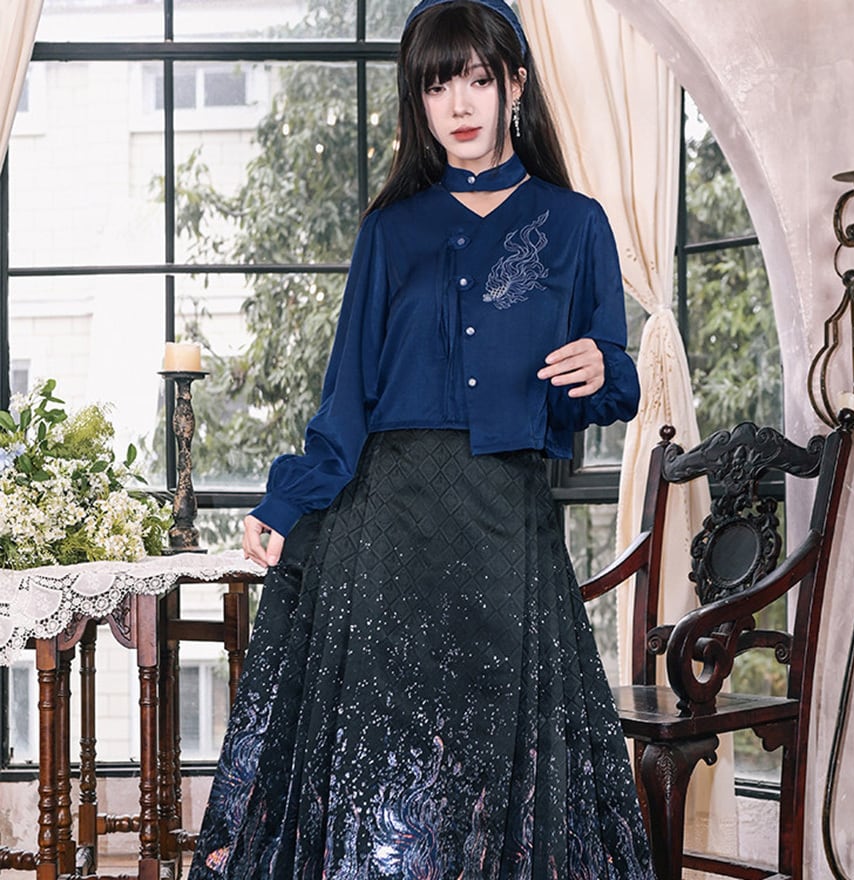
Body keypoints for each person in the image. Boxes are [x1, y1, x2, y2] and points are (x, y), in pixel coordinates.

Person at [190, 1, 655, 877]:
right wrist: (287, 500)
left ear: (515, 85)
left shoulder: (576, 223)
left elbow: (614, 384)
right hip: (387, 523)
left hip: (506, 522)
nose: (460, 104)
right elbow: (347, 397)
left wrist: (606, 368)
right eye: (438, 86)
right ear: (419, 101)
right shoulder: (391, 229)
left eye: (478, 79)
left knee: (496, 760)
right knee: (390, 763)